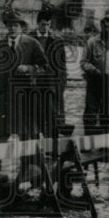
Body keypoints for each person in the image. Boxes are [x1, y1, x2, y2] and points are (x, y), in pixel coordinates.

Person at [0, 10, 46, 141]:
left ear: (21, 27)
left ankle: (29, 160)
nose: (12, 28)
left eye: (16, 25)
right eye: (10, 25)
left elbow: (44, 67)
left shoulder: (32, 44)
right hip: (4, 95)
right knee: (1, 132)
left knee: (27, 132)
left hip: (25, 95)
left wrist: (28, 68)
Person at [32, 7, 67, 136]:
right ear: (37, 23)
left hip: (51, 85)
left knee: (52, 117)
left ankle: (52, 151)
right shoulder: (29, 39)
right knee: (34, 117)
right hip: (33, 85)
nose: (45, 27)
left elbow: (62, 67)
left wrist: (61, 85)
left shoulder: (57, 40)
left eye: (48, 24)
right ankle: (35, 150)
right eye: (43, 24)